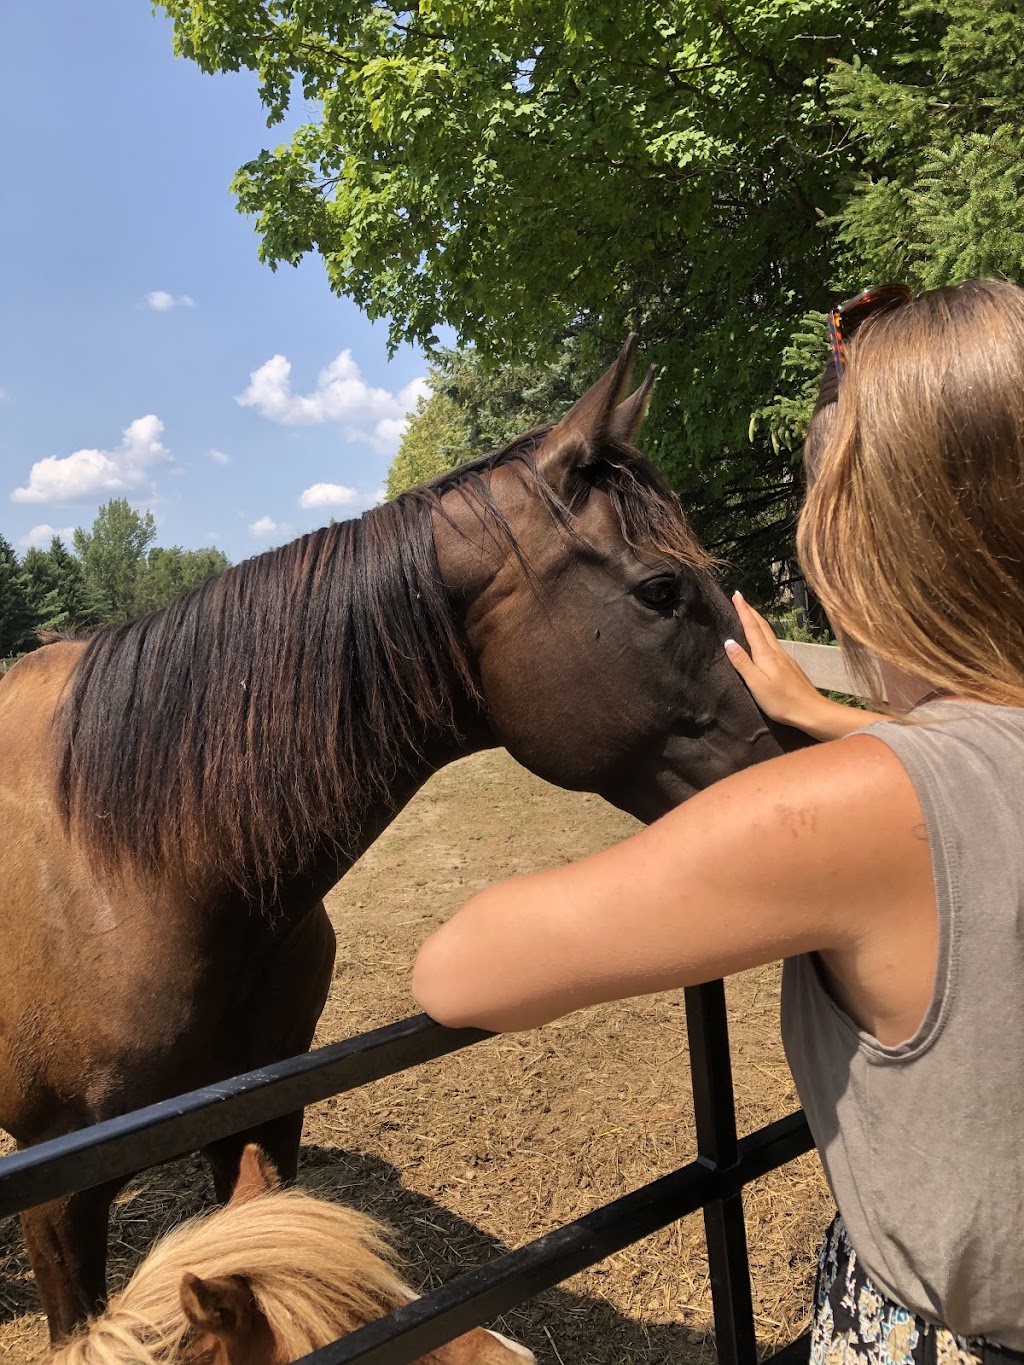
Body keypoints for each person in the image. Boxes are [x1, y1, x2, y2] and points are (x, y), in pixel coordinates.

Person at [411, 278, 1024, 1363]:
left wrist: (837, 759)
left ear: (858, 541)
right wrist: (835, 721)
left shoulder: (845, 814)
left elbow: (455, 973)